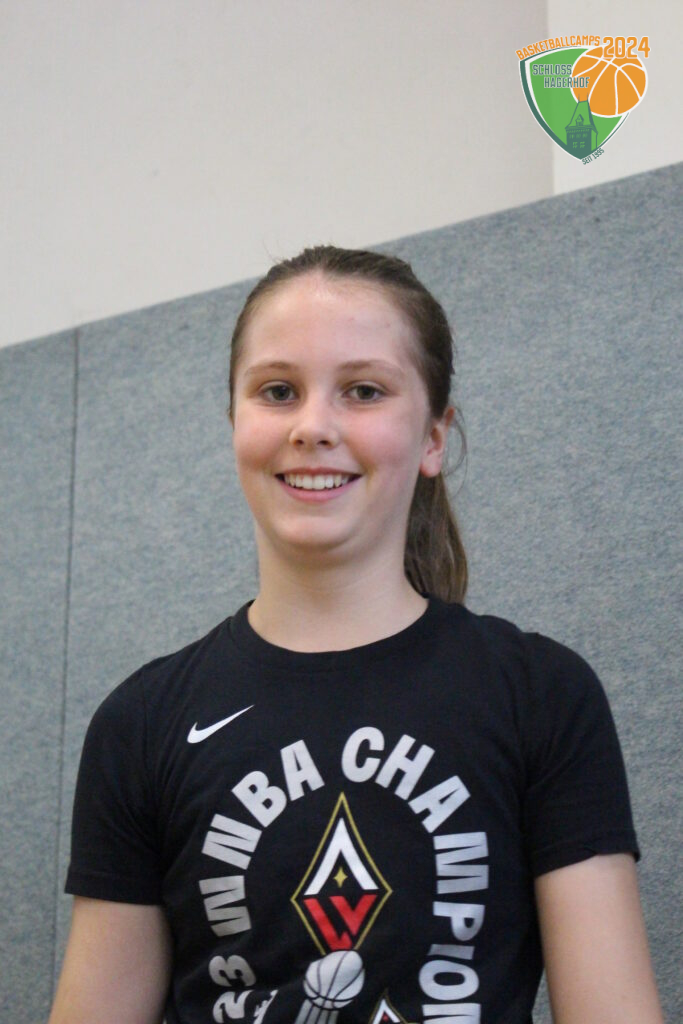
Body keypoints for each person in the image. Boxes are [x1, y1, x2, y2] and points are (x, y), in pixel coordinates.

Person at [48, 246, 663, 1024]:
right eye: (277, 391)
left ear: (433, 437)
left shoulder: (539, 694)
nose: (312, 426)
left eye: (363, 391)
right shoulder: (141, 723)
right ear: (235, 423)